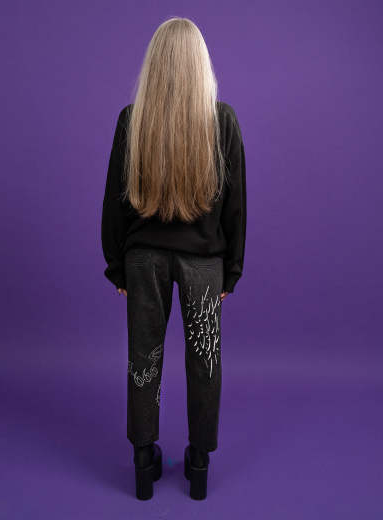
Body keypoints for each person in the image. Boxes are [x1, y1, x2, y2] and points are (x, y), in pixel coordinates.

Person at [101, 17, 246, 501]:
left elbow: (115, 201)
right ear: (200, 65)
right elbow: (236, 204)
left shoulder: (133, 120)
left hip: (144, 261)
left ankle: (144, 462)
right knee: (205, 363)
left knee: (144, 358)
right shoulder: (222, 120)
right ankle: (199, 463)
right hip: (204, 262)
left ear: (155, 66)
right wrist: (232, 270)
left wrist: (117, 265)